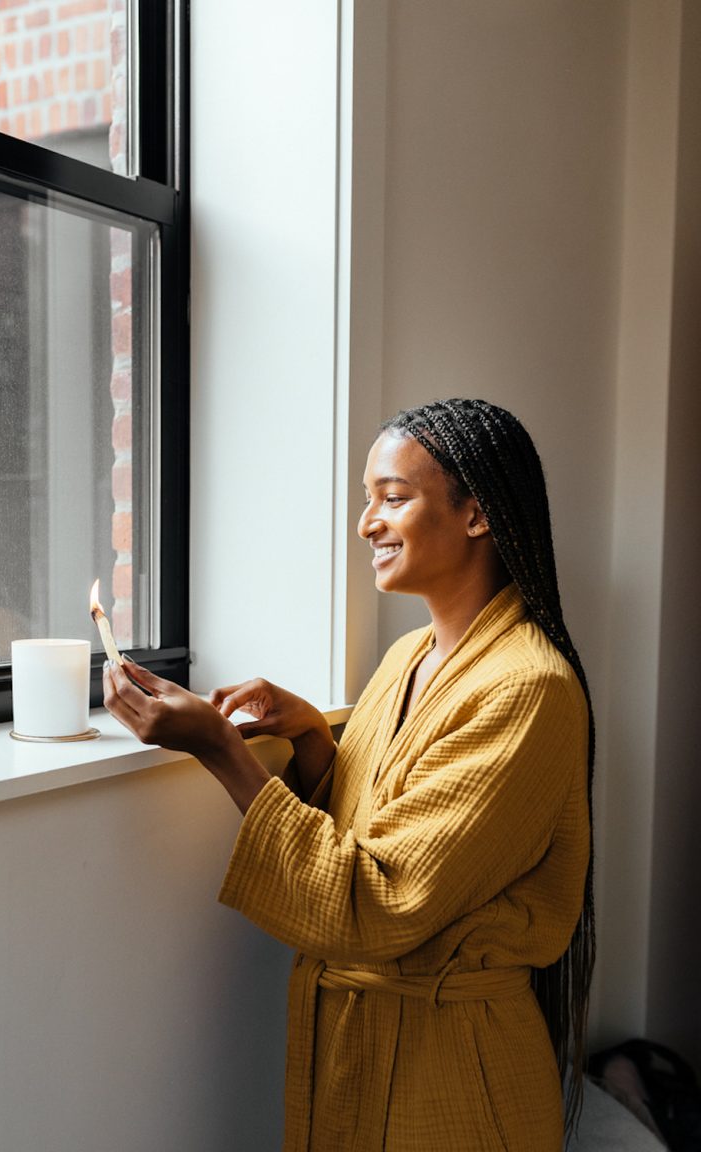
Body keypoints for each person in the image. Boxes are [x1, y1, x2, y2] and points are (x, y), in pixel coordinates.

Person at [103, 397, 595, 1152]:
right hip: (362, 1048)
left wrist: (223, 752)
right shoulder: (408, 658)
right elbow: (384, 835)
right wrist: (310, 742)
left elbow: (379, 901)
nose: (367, 524)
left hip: (457, 1077)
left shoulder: (528, 688)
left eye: (393, 498)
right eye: (368, 500)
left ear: (477, 514)